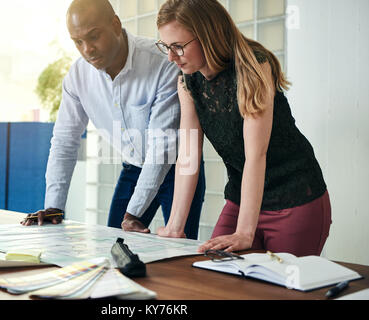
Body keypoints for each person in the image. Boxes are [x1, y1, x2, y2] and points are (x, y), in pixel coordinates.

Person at [155, 0, 331, 256]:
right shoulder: (188, 81)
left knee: (279, 294)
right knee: (215, 274)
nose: (171, 57)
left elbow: (255, 155)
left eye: (178, 47)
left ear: (208, 35)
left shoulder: (254, 66)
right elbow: (189, 155)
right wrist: (174, 226)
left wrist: (244, 233)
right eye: (166, 47)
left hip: (294, 198)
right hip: (242, 198)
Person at [21, 0, 206, 240]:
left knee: (181, 251)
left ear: (116, 24)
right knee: (114, 247)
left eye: (94, 36)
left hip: (180, 169)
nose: (87, 49)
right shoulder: (78, 77)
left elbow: (162, 149)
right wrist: (54, 206)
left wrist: (133, 213)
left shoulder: (162, 62)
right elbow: (64, 142)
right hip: (134, 168)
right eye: (78, 42)